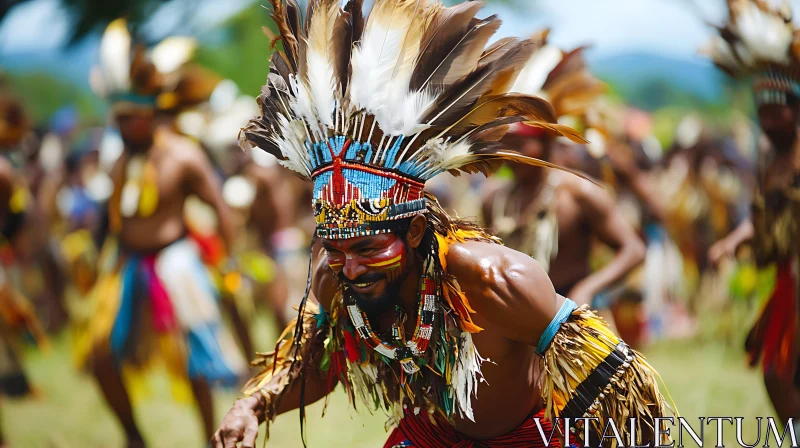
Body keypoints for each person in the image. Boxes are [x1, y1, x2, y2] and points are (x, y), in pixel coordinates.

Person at [213, 1, 673, 447]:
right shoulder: (335, 280)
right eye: (336, 250)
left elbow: (617, 383)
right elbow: (315, 369)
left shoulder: (495, 281)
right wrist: (252, 405)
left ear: (414, 232)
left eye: (369, 248)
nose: (350, 268)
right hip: (429, 437)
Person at [75, 19, 246, 446]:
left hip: (177, 263)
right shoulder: (121, 160)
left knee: (195, 363)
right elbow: (115, 218)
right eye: (117, 118)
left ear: (150, 114)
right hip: (128, 264)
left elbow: (220, 211)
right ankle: (134, 437)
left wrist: (228, 263)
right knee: (100, 356)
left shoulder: (183, 156)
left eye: (129, 118)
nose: (120, 126)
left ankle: (212, 437)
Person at [480, 37, 646, 321]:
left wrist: (589, 288)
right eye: (505, 143)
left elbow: (633, 249)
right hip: (518, 324)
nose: (510, 154)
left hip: (576, 319)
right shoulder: (495, 199)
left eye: (520, 145)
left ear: (546, 141)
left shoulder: (578, 192)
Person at [704, 0, 800, 426]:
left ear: (795, 108)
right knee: (776, 370)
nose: (766, 120)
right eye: (761, 112)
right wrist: (735, 239)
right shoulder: (767, 158)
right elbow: (761, 216)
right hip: (785, 281)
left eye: (774, 110)